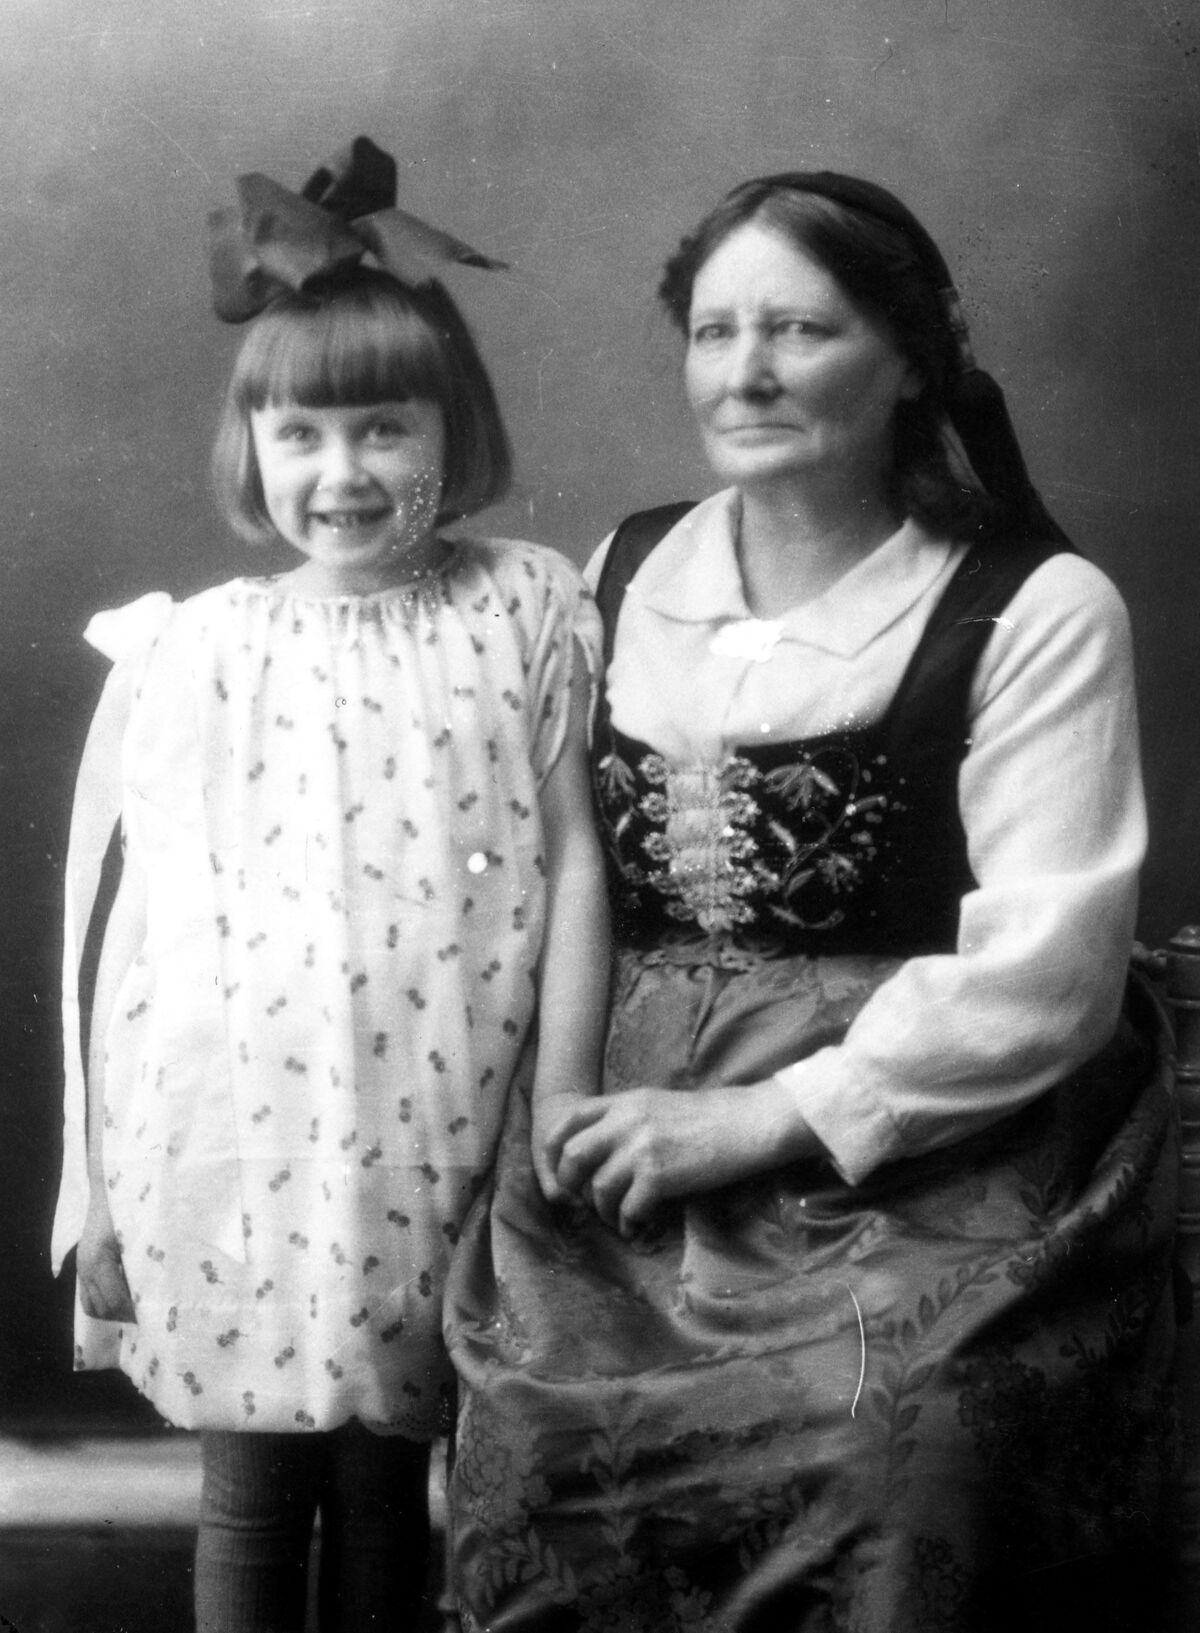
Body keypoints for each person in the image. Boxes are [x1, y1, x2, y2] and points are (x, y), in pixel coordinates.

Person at [444, 172, 1180, 1633]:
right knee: (534, 1434)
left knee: (896, 1439)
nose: (747, 373)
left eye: (799, 329)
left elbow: (1051, 967)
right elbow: (564, 860)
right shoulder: (626, 568)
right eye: (715, 332)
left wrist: (758, 1120)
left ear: (912, 359)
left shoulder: (1034, 607)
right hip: (630, 1110)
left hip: (927, 1131)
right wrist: (568, 1105)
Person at [50, 137, 608, 1633]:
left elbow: (572, 861)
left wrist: (557, 1111)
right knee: (250, 1491)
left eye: (383, 429)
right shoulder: (195, 646)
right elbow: (131, 937)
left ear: (452, 428)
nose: (343, 473)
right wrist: (102, 1179)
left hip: (441, 1126)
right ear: (252, 446)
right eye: (300, 433)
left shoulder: (523, 604)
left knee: (387, 1490)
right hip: (241, 1139)